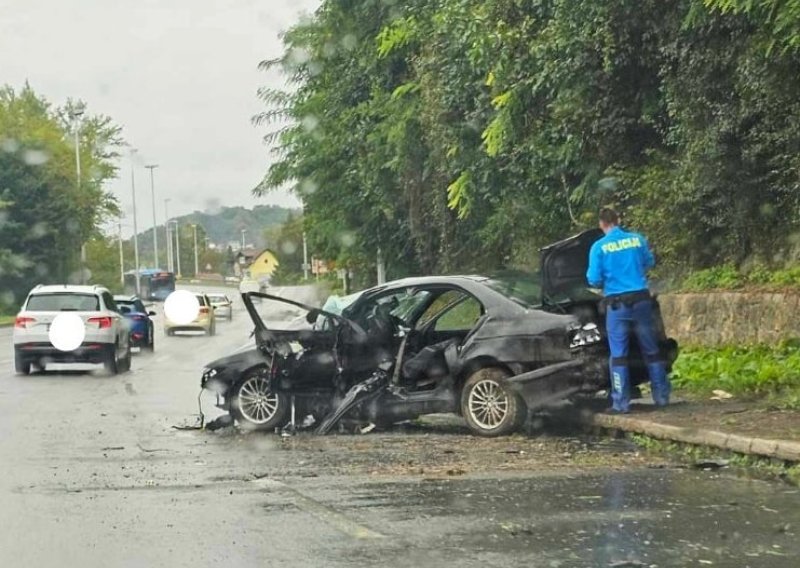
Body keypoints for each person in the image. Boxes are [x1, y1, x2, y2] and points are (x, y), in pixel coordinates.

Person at [586, 207, 670, 413]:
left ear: (601, 224)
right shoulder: (637, 239)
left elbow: (594, 279)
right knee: (651, 350)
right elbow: (649, 262)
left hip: (618, 306)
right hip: (642, 302)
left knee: (619, 355)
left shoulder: (599, 247)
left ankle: (621, 404)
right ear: (618, 219)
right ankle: (662, 397)